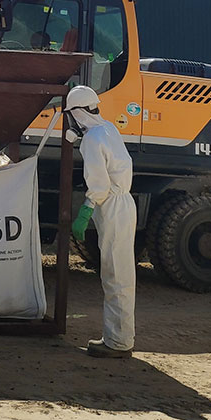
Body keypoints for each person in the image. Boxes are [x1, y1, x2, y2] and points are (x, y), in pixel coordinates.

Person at [67, 85, 136, 358]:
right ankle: (120, 337)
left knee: (115, 275)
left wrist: (85, 210)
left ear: (79, 114)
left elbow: (99, 185)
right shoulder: (107, 128)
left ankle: (118, 343)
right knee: (120, 272)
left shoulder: (93, 139)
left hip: (111, 206)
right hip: (123, 204)